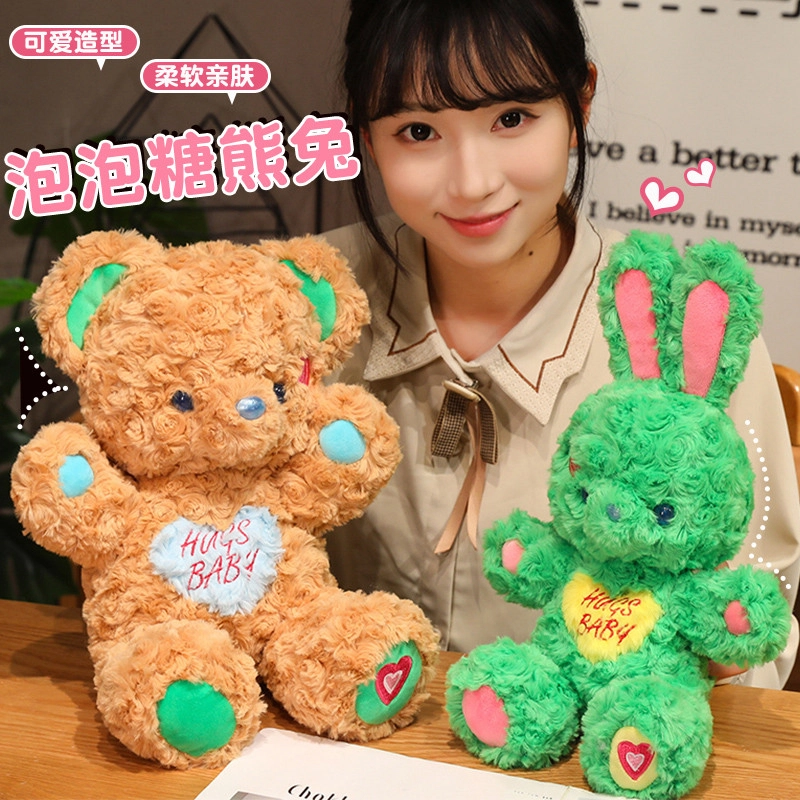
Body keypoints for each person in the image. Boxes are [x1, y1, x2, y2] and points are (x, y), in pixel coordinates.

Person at [322, 0, 800, 688]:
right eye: (418, 131)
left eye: (512, 118)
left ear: (579, 102)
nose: (473, 182)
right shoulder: (301, 301)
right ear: (367, 136)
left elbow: (755, 642)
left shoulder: (683, 331)